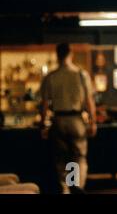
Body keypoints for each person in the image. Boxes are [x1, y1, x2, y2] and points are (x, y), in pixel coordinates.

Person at [39, 43, 97, 194]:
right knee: (78, 157)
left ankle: (65, 189)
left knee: (61, 159)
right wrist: (92, 122)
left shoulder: (50, 77)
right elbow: (89, 101)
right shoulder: (81, 74)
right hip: (76, 120)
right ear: (71, 54)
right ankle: (76, 186)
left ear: (57, 55)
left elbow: (44, 105)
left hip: (58, 120)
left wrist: (43, 126)